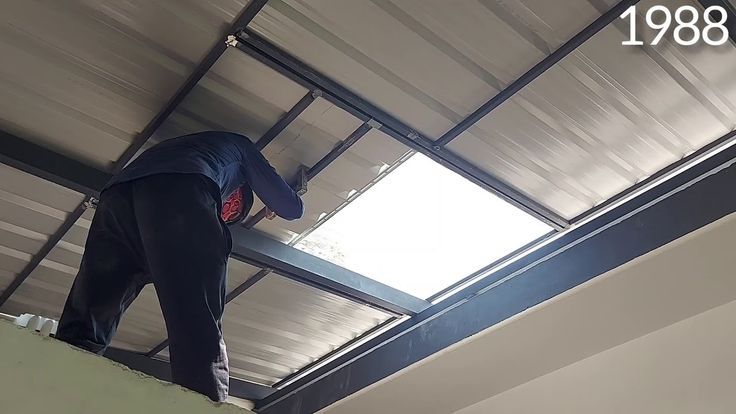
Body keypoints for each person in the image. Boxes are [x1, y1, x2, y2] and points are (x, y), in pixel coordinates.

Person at [55, 131, 304, 402]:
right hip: (183, 190)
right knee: (197, 315)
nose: (225, 213)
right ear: (241, 190)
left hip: (116, 197)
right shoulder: (242, 147)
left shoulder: (183, 147)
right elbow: (291, 208)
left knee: (91, 308)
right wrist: (274, 195)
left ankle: (57, 383)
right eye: (230, 209)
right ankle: (204, 403)